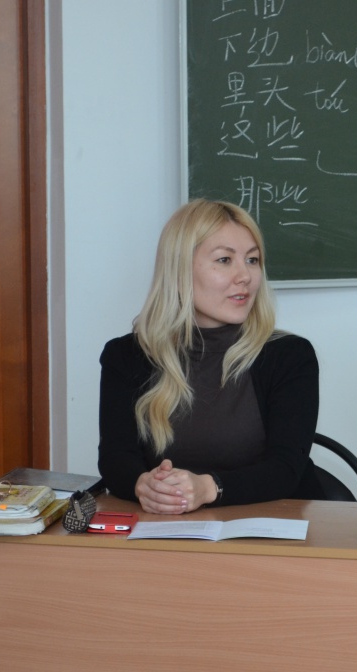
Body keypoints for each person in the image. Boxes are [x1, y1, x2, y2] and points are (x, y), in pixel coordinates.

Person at [98, 198, 323, 513]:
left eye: (252, 260)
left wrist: (208, 488)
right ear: (179, 270)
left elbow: (285, 468)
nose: (245, 276)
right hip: (168, 529)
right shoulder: (126, 356)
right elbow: (115, 458)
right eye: (224, 260)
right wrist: (143, 484)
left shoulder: (288, 355)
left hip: (276, 525)